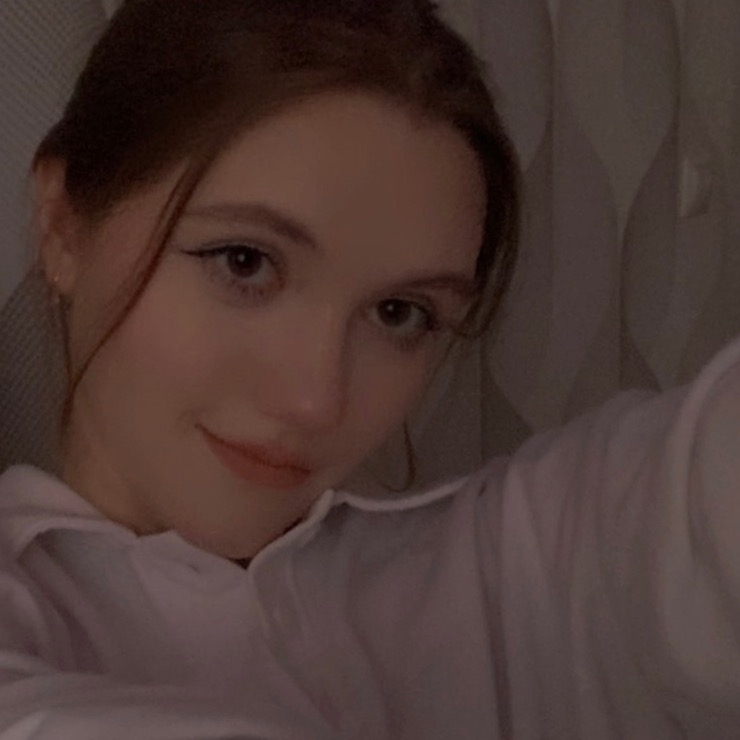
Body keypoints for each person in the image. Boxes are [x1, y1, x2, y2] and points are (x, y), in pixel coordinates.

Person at [0, 0, 738, 738]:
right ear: (63, 226)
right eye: (244, 262)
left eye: (398, 313)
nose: (315, 400)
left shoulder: (514, 569)